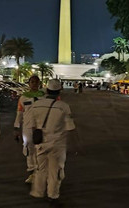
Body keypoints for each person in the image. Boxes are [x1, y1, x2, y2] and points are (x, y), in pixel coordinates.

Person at [26, 79, 76, 207]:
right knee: (55, 171)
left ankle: (37, 192)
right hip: (57, 145)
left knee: (41, 168)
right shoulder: (63, 106)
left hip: (41, 143)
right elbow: (70, 127)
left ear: (46, 90)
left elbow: (31, 126)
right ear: (59, 91)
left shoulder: (36, 105)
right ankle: (52, 196)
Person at [13, 75, 45, 184]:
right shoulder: (23, 97)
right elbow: (19, 113)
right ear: (29, 83)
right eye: (32, 82)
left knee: (40, 150)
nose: (34, 84)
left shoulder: (44, 96)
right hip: (27, 127)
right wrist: (16, 127)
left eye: (36, 82)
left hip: (41, 127)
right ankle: (31, 173)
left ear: (39, 83)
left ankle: (40, 173)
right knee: (28, 149)